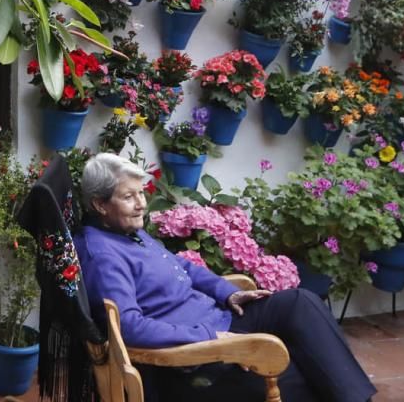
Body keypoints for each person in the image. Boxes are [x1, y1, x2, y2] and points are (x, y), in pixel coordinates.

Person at [74, 153, 376, 402]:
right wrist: (209, 336)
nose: (141, 203)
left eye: (141, 193)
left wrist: (226, 292)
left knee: (299, 301)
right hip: (191, 358)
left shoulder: (127, 232)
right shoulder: (104, 256)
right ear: (100, 204)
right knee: (305, 370)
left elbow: (181, 266)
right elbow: (129, 327)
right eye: (129, 196)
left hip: (217, 317)